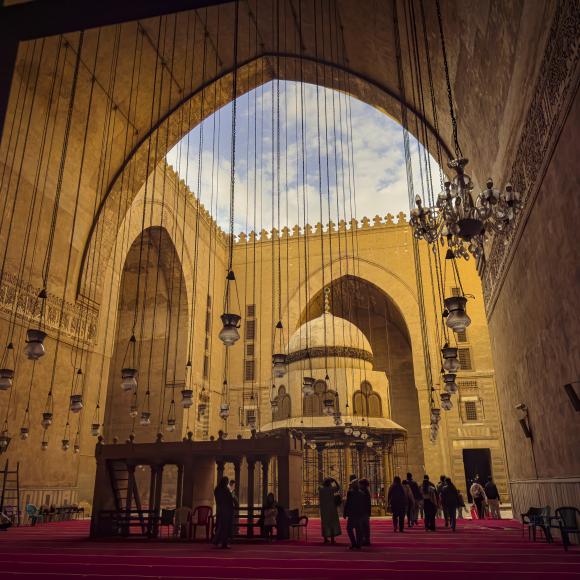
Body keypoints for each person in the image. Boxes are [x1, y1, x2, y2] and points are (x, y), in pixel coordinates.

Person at [213, 476, 235, 548]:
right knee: (224, 527)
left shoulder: (218, 489)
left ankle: (217, 541)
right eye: (226, 481)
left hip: (222, 509)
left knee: (222, 526)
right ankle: (223, 543)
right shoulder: (224, 490)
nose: (227, 483)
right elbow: (228, 499)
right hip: (225, 510)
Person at [343, 479, 366, 549]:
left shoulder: (350, 493)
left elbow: (347, 503)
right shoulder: (362, 494)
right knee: (358, 529)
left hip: (352, 513)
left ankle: (354, 543)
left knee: (349, 528)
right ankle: (359, 544)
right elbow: (363, 505)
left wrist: (345, 512)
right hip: (359, 513)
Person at [319, 477, 342, 544]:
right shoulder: (331, 489)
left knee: (325, 523)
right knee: (332, 523)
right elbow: (338, 487)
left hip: (324, 509)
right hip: (332, 508)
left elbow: (321, 485)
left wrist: (325, 481)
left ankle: (325, 539)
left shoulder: (321, 489)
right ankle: (332, 539)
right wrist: (334, 480)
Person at [358, 478, 372, 545]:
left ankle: (365, 540)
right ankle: (366, 539)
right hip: (365, 511)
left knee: (363, 526)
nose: (359, 485)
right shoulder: (366, 491)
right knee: (365, 526)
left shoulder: (364, 492)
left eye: (360, 484)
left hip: (363, 511)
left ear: (363, 484)